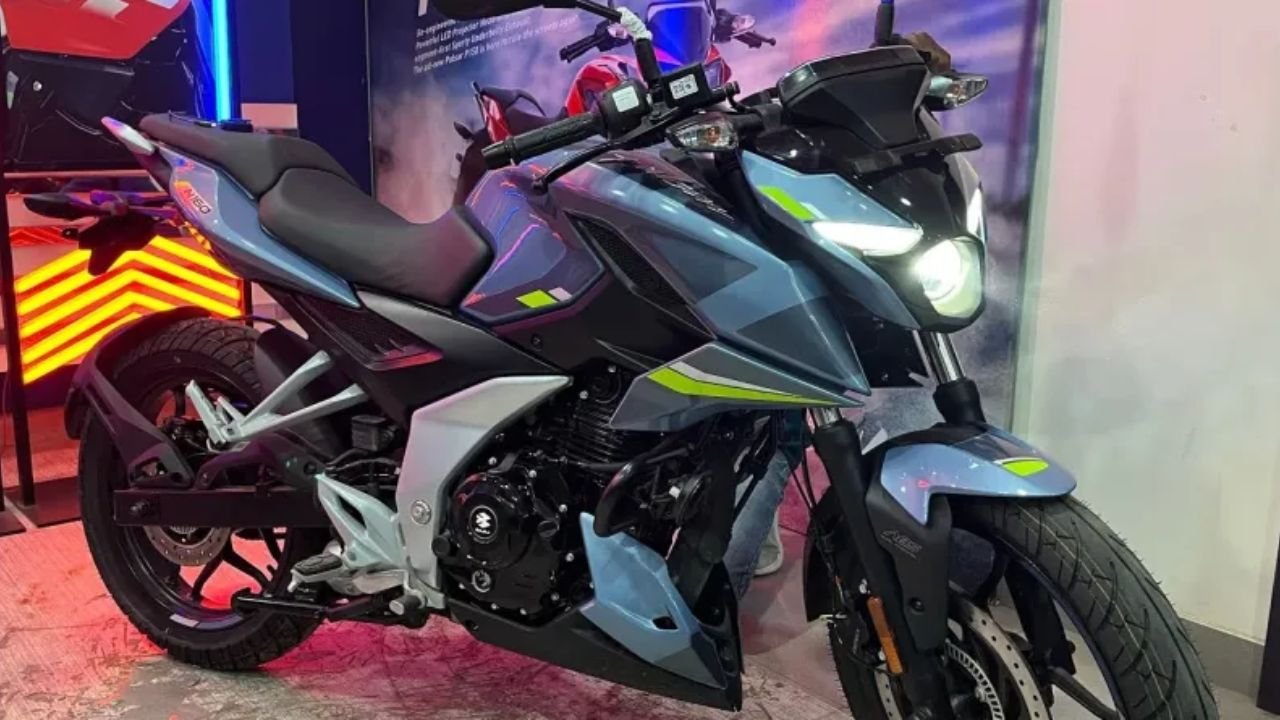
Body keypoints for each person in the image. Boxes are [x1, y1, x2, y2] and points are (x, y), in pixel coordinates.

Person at [721, 33, 953, 599]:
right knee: (775, 438)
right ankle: (723, 583)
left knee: (774, 440)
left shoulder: (900, 145)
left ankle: (732, 570)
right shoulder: (804, 128)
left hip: (833, 304)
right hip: (787, 303)